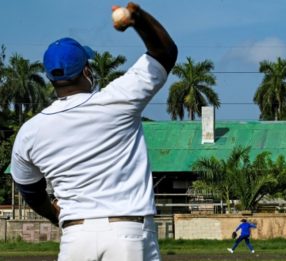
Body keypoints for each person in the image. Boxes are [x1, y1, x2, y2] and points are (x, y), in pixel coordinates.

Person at [10, 2, 177, 261]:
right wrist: (138, 18)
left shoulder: (30, 132)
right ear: (87, 71)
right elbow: (164, 53)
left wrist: (55, 215)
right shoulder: (116, 100)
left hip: (76, 237)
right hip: (128, 232)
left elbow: (30, 190)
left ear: (51, 79)